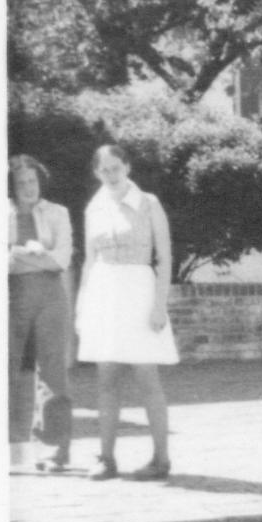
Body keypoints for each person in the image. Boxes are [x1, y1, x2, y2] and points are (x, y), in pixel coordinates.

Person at [74, 143, 178, 481]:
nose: (111, 175)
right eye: (104, 170)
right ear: (96, 173)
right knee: (106, 379)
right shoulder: (94, 207)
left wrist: (159, 304)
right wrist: (83, 305)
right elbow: (90, 260)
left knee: (147, 378)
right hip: (105, 294)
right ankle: (106, 458)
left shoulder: (149, 204)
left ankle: (161, 459)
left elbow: (164, 259)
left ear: (128, 167)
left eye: (116, 168)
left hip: (138, 292)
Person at [9, 155, 77, 475]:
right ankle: (14, 449)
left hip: (51, 298)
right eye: (21, 182)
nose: (28, 188)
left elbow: (60, 260)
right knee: (11, 372)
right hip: (12, 298)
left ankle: (56, 450)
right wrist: (30, 255)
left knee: (53, 375)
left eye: (32, 181)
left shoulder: (57, 213)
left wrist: (20, 255)